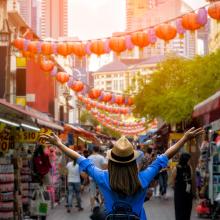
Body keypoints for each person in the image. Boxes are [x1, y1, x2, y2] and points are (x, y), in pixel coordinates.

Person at [41, 127, 203, 220]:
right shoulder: (142, 178)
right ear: (132, 161)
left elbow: (81, 159)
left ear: (112, 161)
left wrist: (60, 145)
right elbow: (164, 157)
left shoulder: (104, 178)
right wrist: (184, 139)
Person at [172, 152, 193, 220]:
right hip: (179, 193)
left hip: (188, 193)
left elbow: (192, 177)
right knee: (180, 209)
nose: (189, 161)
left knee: (187, 209)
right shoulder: (176, 168)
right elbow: (173, 180)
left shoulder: (189, 167)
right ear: (185, 160)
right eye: (188, 159)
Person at [88, 145, 107, 210]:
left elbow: (87, 168)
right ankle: (103, 206)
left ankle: (92, 207)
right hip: (99, 176)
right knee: (102, 192)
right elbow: (104, 167)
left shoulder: (89, 157)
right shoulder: (101, 157)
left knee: (92, 193)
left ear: (93, 150)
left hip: (91, 177)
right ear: (98, 150)